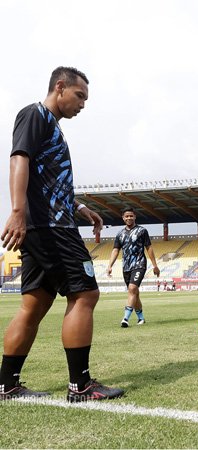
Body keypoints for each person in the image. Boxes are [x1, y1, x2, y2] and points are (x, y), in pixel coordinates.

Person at [0, 67, 124, 402]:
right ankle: (80, 386)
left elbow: (48, 177)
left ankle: (7, 385)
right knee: (85, 295)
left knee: (35, 303)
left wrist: (78, 207)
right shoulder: (34, 114)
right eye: (79, 95)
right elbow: (18, 160)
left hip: (48, 223)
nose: (82, 104)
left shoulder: (51, 126)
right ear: (60, 87)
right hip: (51, 227)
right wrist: (15, 212)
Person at [107, 207, 160, 328]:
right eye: (127, 216)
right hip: (126, 267)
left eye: (131, 216)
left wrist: (155, 265)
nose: (129, 218)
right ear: (123, 218)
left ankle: (125, 318)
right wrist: (110, 265)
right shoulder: (120, 234)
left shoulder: (142, 231)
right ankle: (141, 318)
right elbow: (116, 250)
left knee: (132, 289)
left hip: (139, 264)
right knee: (134, 293)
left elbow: (149, 248)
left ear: (135, 217)